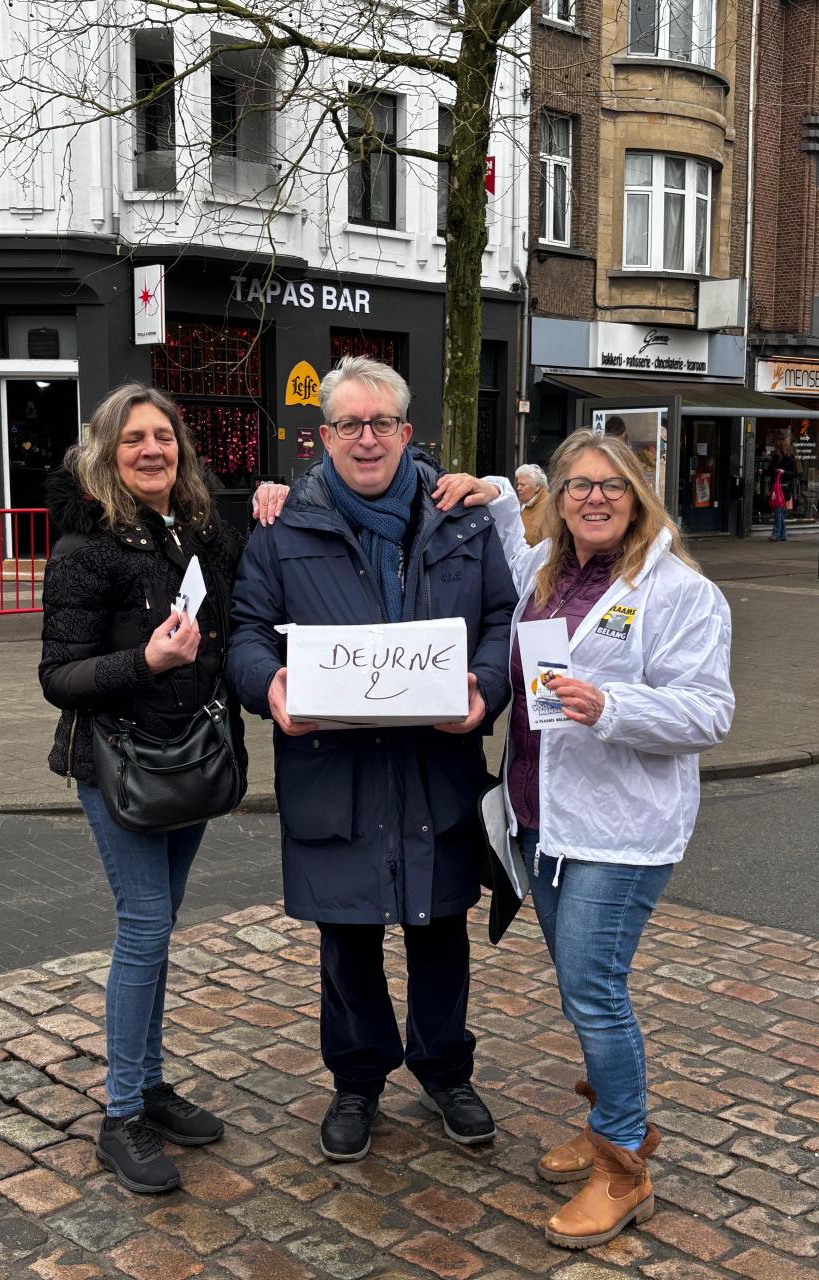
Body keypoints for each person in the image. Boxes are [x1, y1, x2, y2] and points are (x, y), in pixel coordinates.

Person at [431, 429, 734, 1250]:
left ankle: (624, 1165)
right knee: (580, 986)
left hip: (620, 832)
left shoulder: (679, 593)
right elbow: (503, 520)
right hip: (543, 822)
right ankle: (615, 1123)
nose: (594, 499)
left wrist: (616, 706)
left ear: (638, 495)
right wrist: (490, 486)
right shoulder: (544, 571)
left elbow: (710, 711)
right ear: (559, 498)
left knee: (594, 992)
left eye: (612, 486)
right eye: (577, 487)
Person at [226, 356, 517, 1163]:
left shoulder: (461, 519)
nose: (366, 438)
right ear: (322, 439)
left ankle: (445, 1070)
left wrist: (486, 690)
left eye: (381, 422)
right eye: (348, 424)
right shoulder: (282, 531)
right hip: (334, 773)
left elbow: (500, 621)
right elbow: (246, 633)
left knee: (439, 929)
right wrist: (270, 685)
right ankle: (356, 1082)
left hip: (437, 765)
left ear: (405, 432)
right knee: (347, 938)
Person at [39, 384, 251, 1195]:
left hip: (190, 759)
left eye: (164, 436)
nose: (153, 450)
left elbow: (249, 587)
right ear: (107, 453)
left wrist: (271, 499)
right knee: (145, 925)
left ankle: (152, 1089)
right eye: (135, 440)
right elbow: (58, 677)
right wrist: (147, 664)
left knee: (159, 930)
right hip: (119, 766)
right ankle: (120, 1112)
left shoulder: (198, 530)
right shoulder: (84, 548)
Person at [515, 463, 550, 546]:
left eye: (523, 485)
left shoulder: (549, 506)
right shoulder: (520, 504)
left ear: (537, 486)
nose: (518, 488)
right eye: (518, 484)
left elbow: (547, 546)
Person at [767, 444, 796, 540]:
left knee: (778, 510)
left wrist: (784, 472)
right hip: (775, 487)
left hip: (783, 488)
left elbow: (794, 474)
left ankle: (776, 533)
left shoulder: (790, 460)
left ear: (782, 449)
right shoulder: (775, 459)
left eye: (777, 449)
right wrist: (762, 472)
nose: (776, 450)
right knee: (780, 511)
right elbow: (770, 471)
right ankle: (782, 534)